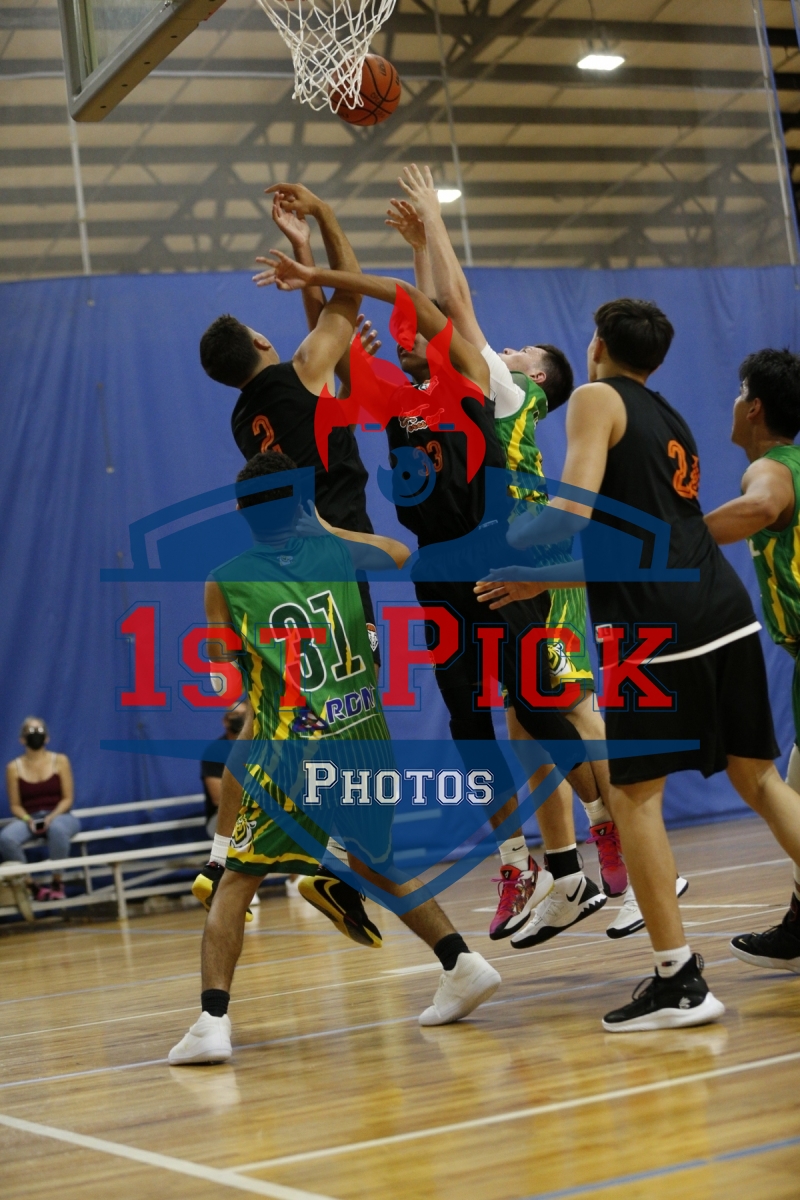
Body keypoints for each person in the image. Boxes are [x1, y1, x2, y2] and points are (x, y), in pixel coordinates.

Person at [253, 228, 608, 948]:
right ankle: (517, 863)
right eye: (402, 336)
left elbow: (419, 297)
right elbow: (328, 346)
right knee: (468, 723)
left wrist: (324, 253)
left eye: (417, 332)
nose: (405, 337)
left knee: (540, 707)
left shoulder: (471, 379)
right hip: (436, 569)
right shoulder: (394, 398)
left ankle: (610, 830)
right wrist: (309, 269)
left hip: (493, 555)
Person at [476, 298, 800, 1031]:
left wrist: (508, 539)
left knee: (633, 796)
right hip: (723, 608)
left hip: (656, 628)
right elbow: (631, 549)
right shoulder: (669, 418)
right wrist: (538, 580)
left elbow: (572, 513)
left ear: (597, 345)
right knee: (759, 778)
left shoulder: (596, 398)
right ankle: (675, 974)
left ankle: (678, 979)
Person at [168, 452, 501, 1064]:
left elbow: (220, 677)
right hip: (366, 736)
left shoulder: (226, 580)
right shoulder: (337, 553)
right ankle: (462, 963)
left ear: (242, 513)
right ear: (302, 504)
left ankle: (211, 1021)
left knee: (236, 881)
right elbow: (398, 553)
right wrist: (324, 525)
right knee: (377, 861)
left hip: (295, 748)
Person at [386, 164, 627, 941]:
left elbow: (453, 305)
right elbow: (431, 321)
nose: (505, 347)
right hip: (488, 562)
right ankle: (561, 869)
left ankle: (619, 840)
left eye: (520, 349)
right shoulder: (470, 394)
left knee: (565, 709)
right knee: (523, 721)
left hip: (525, 570)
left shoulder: (505, 389)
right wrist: (420, 245)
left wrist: (434, 222)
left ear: (536, 375)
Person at [198, 182, 381, 661]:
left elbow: (330, 419)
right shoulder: (301, 370)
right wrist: (322, 212)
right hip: (336, 543)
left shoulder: (243, 421)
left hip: (291, 558)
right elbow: (352, 289)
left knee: (316, 680)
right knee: (359, 679)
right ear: (260, 342)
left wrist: (302, 248)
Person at [704, 348, 800, 973]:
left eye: (741, 396)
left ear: (755, 407)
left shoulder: (771, 467)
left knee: (779, 791)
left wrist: (686, 538)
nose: (735, 406)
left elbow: (763, 506)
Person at [1, 717, 79, 901]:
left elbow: (68, 799)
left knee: (58, 830)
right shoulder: (13, 768)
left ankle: (57, 882)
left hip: (60, 814)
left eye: (39, 731)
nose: (35, 735)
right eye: (31, 732)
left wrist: (52, 816)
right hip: (30, 817)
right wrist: (28, 820)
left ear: (47, 738)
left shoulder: (60, 761)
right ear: (22, 739)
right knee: (6, 838)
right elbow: (15, 805)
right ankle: (30, 885)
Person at [200, 701, 249, 838]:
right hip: (224, 815)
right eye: (235, 714)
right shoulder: (215, 752)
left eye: (244, 715)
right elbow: (218, 797)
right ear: (225, 721)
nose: (241, 719)